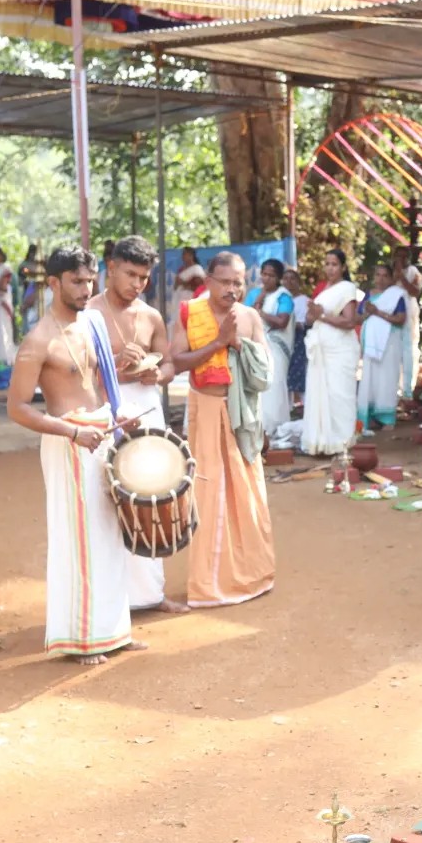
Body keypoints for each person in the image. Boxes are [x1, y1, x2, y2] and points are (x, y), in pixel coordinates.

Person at [8, 247, 145, 663]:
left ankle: (113, 630)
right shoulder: (38, 341)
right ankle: (82, 638)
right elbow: (17, 408)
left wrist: (119, 411)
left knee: (108, 535)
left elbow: (102, 386)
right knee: (79, 540)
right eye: (76, 282)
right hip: (68, 442)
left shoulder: (95, 324)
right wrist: (70, 431)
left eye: (89, 281)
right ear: (53, 283)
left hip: (101, 432)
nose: (86, 290)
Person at [171, 252, 277, 608]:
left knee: (248, 494)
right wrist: (217, 343)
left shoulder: (249, 318)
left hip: (241, 415)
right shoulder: (190, 312)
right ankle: (209, 584)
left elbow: (265, 375)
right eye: (226, 282)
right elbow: (175, 361)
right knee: (207, 492)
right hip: (204, 410)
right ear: (209, 281)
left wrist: (238, 344)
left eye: (239, 282)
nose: (233, 289)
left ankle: (253, 575)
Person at [88, 235, 187, 616]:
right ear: (111, 268)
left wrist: (157, 376)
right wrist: (115, 361)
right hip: (105, 413)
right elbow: (77, 373)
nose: (137, 284)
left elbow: (170, 364)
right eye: (130, 274)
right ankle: (111, 600)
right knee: (108, 501)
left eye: (144, 277)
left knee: (152, 498)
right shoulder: (89, 315)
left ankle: (151, 593)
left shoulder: (150, 316)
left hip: (147, 411)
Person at [302, 249, 363, 455]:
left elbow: (349, 321)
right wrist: (313, 314)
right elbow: (311, 319)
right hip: (322, 346)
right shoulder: (322, 288)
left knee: (339, 394)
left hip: (340, 349)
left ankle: (341, 442)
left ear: (343, 267)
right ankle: (321, 441)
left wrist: (322, 315)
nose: (330, 268)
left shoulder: (347, 288)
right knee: (321, 392)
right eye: (327, 263)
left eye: (334, 264)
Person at [355, 263, 407, 433]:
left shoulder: (396, 295)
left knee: (386, 380)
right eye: (378, 275)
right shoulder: (369, 295)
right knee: (369, 380)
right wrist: (368, 313)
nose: (381, 279)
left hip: (389, 344)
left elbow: (400, 319)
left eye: (385, 275)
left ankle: (387, 418)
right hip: (371, 344)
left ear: (391, 278)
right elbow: (358, 316)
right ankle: (370, 417)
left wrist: (378, 313)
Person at [247, 258, 295, 435]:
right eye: (264, 274)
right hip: (255, 347)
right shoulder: (253, 294)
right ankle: (258, 428)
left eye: (271, 275)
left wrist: (261, 312)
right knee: (257, 387)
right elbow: (245, 316)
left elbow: (282, 321)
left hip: (276, 348)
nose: (267, 279)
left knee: (274, 385)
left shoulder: (284, 297)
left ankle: (276, 428)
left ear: (279, 278)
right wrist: (258, 300)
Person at [391, 245, 422, 399]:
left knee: (408, 349)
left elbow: (415, 291)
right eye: (398, 256)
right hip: (391, 311)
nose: (401, 259)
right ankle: (393, 387)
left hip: (408, 310)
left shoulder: (413, 272)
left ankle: (407, 388)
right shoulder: (389, 272)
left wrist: (401, 277)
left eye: (404, 257)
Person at [282, 268, 310, 405]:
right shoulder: (279, 298)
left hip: (299, 341)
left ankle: (303, 404)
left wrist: (292, 324)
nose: (288, 282)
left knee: (300, 373)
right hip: (282, 341)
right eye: (285, 278)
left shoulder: (304, 300)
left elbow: (307, 322)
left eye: (292, 278)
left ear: (298, 282)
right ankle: (287, 407)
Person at [171, 247, 205, 321]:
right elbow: (176, 285)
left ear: (191, 255)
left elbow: (200, 287)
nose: (182, 256)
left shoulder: (197, 268)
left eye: (184, 254)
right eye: (182, 254)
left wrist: (184, 284)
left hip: (190, 299)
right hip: (179, 298)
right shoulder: (181, 269)